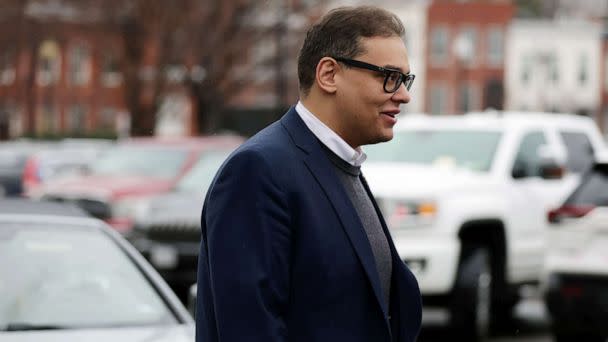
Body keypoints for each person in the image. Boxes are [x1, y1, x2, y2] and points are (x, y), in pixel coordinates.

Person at [196, 5, 421, 342]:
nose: (402, 94)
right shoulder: (259, 171)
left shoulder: (342, 164)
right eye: (388, 77)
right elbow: (250, 329)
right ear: (328, 75)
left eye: (404, 79)